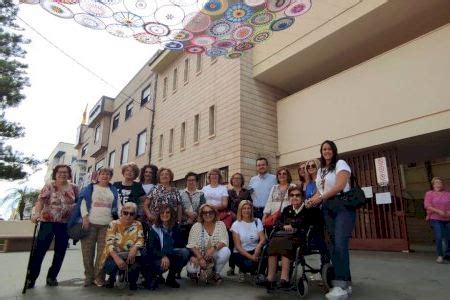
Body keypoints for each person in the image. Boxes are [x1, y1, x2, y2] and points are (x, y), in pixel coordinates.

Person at [306, 140, 355, 299]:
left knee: (340, 244)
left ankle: (340, 285)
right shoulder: (321, 170)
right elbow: (320, 191)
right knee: (333, 246)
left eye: (329, 148)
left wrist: (320, 198)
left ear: (333, 150)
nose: (326, 151)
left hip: (342, 207)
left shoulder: (341, 163)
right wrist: (310, 200)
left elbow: (340, 186)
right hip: (327, 209)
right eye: (323, 149)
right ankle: (345, 284)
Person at [27, 165, 78, 288]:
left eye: (65, 172)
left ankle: (52, 277)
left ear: (69, 174)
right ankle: (31, 278)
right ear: (55, 174)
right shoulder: (49, 186)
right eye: (60, 172)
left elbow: (78, 203)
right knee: (39, 251)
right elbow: (41, 201)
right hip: (48, 222)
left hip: (65, 224)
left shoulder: (74, 187)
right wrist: (36, 214)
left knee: (60, 252)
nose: (62, 174)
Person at [68, 168, 118, 287]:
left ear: (110, 177)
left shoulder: (113, 190)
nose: (105, 176)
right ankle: (89, 277)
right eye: (102, 173)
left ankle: (99, 277)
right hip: (90, 224)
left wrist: (118, 222)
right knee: (87, 253)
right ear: (98, 176)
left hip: (107, 225)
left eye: (108, 174)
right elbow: (83, 203)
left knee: (102, 254)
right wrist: (85, 217)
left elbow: (118, 206)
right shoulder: (90, 188)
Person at [266, 185, 309, 290]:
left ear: (302, 197)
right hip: (285, 236)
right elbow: (277, 222)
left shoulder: (307, 209)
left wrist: (293, 225)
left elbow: (305, 221)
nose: (294, 197)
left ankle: (284, 278)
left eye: (297, 195)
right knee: (273, 241)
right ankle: (270, 277)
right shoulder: (287, 209)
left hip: (299, 238)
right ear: (289, 198)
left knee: (284, 242)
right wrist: (283, 226)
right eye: (292, 195)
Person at [142, 205, 190, 289]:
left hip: (170, 253)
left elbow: (180, 244)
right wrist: (163, 256)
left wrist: (167, 254)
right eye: (162, 212)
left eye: (168, 212)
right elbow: (151, 247)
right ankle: (156, 276)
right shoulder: (154, 228)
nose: (165, 214)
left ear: (171, 214)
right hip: (156, 257)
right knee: (154, 280)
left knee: (184, 252)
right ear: (159, 215)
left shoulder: (176, 227)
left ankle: (171, 278)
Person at [100, 202, 145, 290]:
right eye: (125, 213)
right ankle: (112, 278)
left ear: (135, 215)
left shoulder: (138, 224)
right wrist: (117, 258)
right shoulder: (113, 224)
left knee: (142, 257)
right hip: (115, 254)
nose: (128, 216)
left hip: (131, 254)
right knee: (111, 266)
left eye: (131, 214)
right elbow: (109, 243)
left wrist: (135, 248)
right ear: (121, 212)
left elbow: (141, 239)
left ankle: (133, 281)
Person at [186, 204, 230, 284]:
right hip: (200, 254)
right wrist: (200, 258)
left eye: (210, 212)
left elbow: (224, 241)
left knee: (226, 251)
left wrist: (213, 248)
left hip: (214, 253)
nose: (208, 214)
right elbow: (191, 245)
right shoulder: (196, 226)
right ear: (201, 214)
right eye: (204, 212)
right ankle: (195, 273)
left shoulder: (220, 224)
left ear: (215, 213)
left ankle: (216, 273)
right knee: (191, 268)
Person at [230, 200, 265, 282]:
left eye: (248, 208)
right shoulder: (236, 224)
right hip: (241, 252)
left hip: (254, 250)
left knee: (264, 257)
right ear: (240, 210)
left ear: (251, 210)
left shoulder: (257, 221)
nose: (246, 210)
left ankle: (257, 273)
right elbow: (238, 247)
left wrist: (258, 247)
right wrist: (252, 258)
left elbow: (263, 239)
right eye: (244, 208)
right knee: (248, 265)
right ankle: (243, 270)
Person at [227, 172, 252, 276]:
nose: (236, 180)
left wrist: (242, 215)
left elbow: (250, 204)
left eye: (239, 178)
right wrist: (233, 215)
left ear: (242, 180)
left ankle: (243, 267)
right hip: (232, 220)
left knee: (243, 243)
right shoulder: (228, 192)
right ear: (232, 181)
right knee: (231, 244)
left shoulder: (247, 192)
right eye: (234, 178)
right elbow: (226, 206)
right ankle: (232, 267)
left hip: (244, 220)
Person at [424, 176, 450, 263]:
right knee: (439, 236)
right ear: (433, 185)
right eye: (436, 183)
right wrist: (439, 211)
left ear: (442, 184)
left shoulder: (448, 194)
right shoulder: (429, 193)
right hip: (435, 218)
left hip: (448, 218)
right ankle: (440, 255)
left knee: (448, 237)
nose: (438, 184)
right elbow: (427, 205)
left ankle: (448, 254)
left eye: (440, 183)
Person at [179, 172, 206, 243]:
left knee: (196, 242)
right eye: (189, 180)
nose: (191, 182)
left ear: (196, 182)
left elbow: (202, 206)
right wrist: (186, 213)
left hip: (197, 222)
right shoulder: (180, 193)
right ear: (186, 181)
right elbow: (179, 205)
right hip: (184, 223)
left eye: (193, 180)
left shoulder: (201, 193)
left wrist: (195, 215)